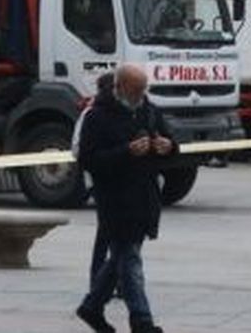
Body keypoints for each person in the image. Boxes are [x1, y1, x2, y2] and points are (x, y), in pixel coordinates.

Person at [76, 64, 176, 333]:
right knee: (129, 258)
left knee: (119, 258)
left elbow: (170, 142)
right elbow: (89, 159)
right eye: (136, 91)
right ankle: (142, 321)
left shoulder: (149, 110)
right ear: (119, 88)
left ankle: (92, 307)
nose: (141, 96)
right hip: (115, 200)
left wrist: (167, 146)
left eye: (144, 90)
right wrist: (126, 151)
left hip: (144, 198)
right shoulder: (97, 117)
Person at [73, 72, 118, 286]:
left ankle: (114, 278)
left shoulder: (130, 112)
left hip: (126, 183)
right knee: (106, 234)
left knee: (119, 236)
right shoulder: (91, 114)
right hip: (101, 182)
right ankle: (99, 279)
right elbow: (77, 149)